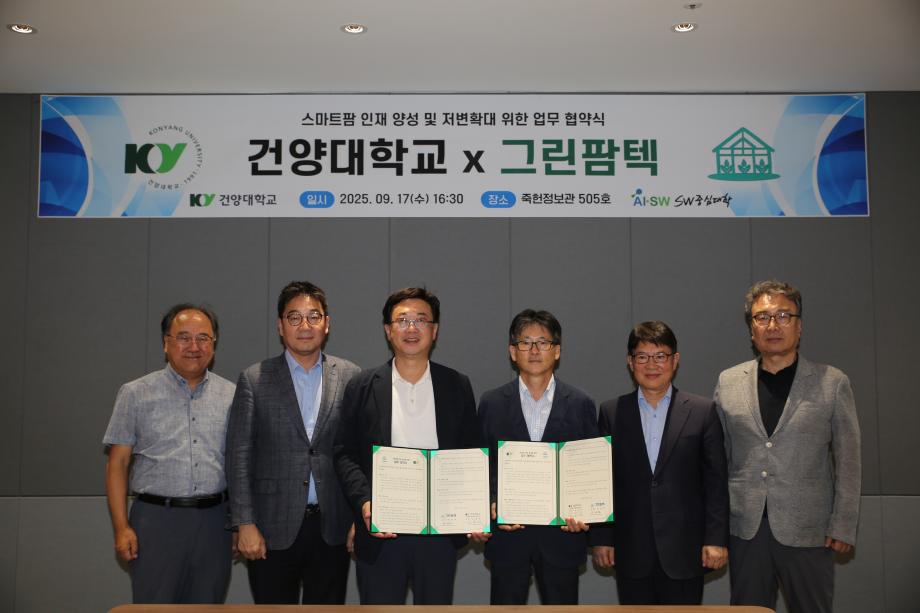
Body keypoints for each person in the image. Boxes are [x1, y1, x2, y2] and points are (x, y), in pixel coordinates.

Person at [715, 280, 861, 613]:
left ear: (799, 326)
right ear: (751, 329)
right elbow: (718, 459)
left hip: (809, 531)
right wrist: (716, 526)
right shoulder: (728, 381)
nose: (773, 325)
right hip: (746, 530)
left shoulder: (832, 382)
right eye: (762, 317)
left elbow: (849, 461)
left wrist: (843, 524)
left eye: (783, 315)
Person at [333, 287, 479, 604]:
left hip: (439, 532)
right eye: (402, 320)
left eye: (421, 320)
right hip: (382, 531)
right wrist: (364, 503)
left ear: (434, 330)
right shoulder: (362, 386)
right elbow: (345, 453)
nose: (411, 328)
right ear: (388, 330)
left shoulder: (456, 385)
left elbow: (472, 453)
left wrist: (476, 510)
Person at [225, 281, 360, 604]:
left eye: (313, 316)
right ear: (280, 325)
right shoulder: (255, 379)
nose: (305, 326)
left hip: (332, 527)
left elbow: (359, 455)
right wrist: (244, 523)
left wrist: (360, 519)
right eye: (294, 317)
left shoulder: (351, 376)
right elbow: (239, 457)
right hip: (270, 527)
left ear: (327, 323)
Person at [103, 303, 236, 604]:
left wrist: (239, 523)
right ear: (166, 343)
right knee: (154, 606)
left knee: (208, 605)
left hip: (215, 523)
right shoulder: (135, 393)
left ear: (214, 344)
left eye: (203, 338)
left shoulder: (232, 395)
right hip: (155, 521)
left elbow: (238, 465)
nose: (194, 346)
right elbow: (117, 464)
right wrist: (121, 527)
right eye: (184, 337)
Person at [591, 321, 728, 605]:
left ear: (675, 360)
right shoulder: (611, 412)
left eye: (660, 356)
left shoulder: (702, 412)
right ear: (630, 362)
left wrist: (716, 539)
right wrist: (602, 538)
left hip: (686, 549)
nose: (651, 365)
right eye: (642, 356)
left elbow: (715, 482)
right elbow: (601, 482)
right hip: (631, 549)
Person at [478, 309, 598, 604]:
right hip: (508, 539)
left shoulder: (581, 403)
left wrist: (585, 511)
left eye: (543, 342)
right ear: (512, 351)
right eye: (525, 342)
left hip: (562, 539)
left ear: (556, 351)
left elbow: (590, 471)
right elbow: (481, 467)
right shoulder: (491, 403)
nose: (534, 350)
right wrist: (489, 504)